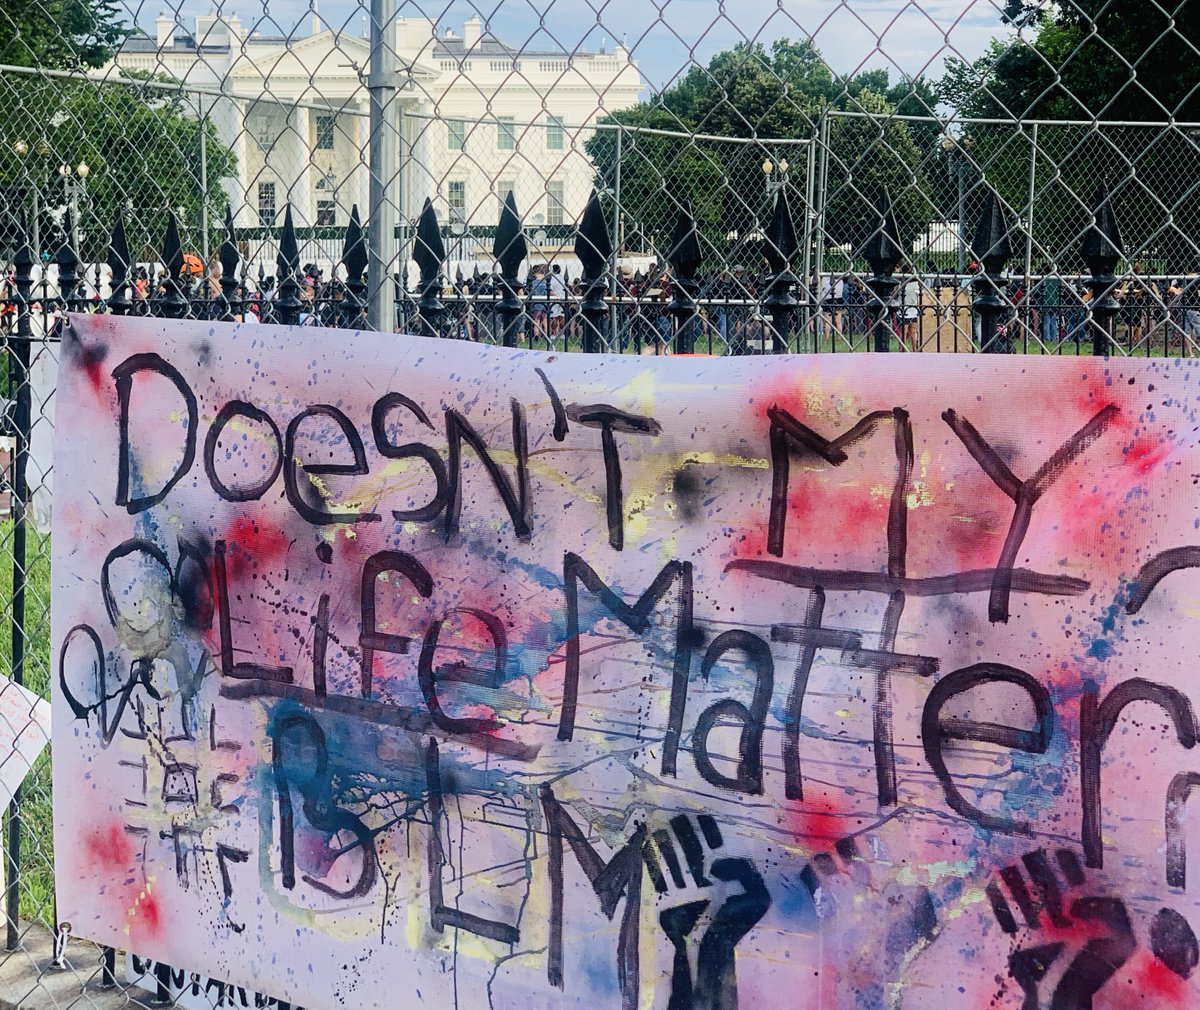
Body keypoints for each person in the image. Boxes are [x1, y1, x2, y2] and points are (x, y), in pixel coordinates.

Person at [1035, 263, 1060, 345]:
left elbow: (1038, 291)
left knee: (1046, 321)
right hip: (1054, 302)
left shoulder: (1043, 279)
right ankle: (1053, 337)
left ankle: (1047, 338)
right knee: (1053, 320)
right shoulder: (1055, 279)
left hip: (1045, 302)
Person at [530, 266, 549, 341]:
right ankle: (547, 334)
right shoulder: (545, 283)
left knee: (536, 320)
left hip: (536, 303)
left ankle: (536, 335)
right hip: (543, 303)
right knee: (545, 320)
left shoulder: (533, 283)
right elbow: (547, 292)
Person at [549, 263, 566, 339]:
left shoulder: (553, 279)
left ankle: (553, 334)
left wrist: (555, 296)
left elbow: (550, 290)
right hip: (562, 298)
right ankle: (562, 334)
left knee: (554, 317)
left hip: (555, 298)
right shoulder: (563, 278)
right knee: (561, 316)